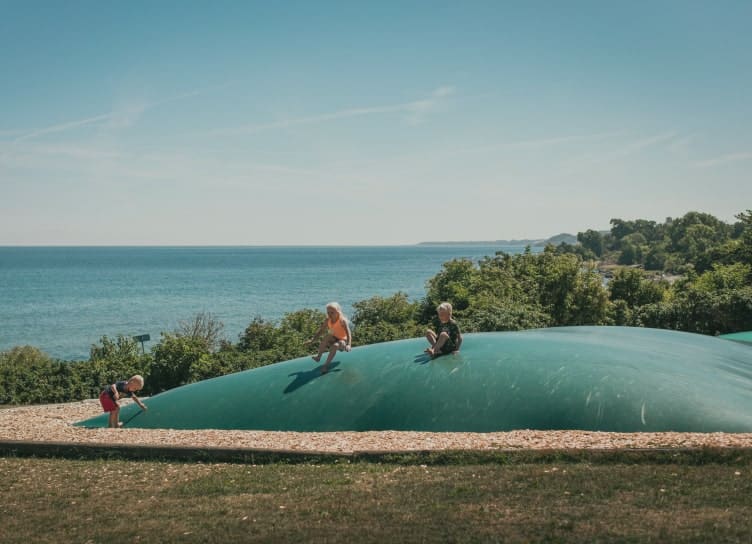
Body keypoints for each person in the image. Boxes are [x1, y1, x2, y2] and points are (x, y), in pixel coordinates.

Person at [308, 302, 352, 373]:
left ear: (338, 311)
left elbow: (348, 333)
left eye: (332, 312)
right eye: (328, 312)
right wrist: (312, 340)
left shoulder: (342, 321)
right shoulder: (328, 320)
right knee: (327, 336)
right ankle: (318, 357)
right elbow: (321, 331)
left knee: (335, 346)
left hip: (342, 342)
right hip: (333, 338)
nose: (329, 314)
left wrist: (349, 345)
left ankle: (325, 366)